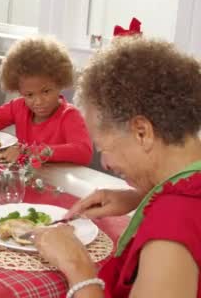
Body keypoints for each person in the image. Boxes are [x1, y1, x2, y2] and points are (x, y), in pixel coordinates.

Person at [33, 37, 201, 297]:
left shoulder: (173, 220)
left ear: (142, 132)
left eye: (103, 148)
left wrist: (77, 267)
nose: (106, 163)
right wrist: (144, 196)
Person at [0, 36, 92, 165]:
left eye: (46, 91)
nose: (38, 101)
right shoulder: (19, 107)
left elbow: (83, 152)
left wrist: (36, 151)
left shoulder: (69, 115)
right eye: (29, 95)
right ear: (19, 91)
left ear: (60, 83)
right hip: (27, 178)